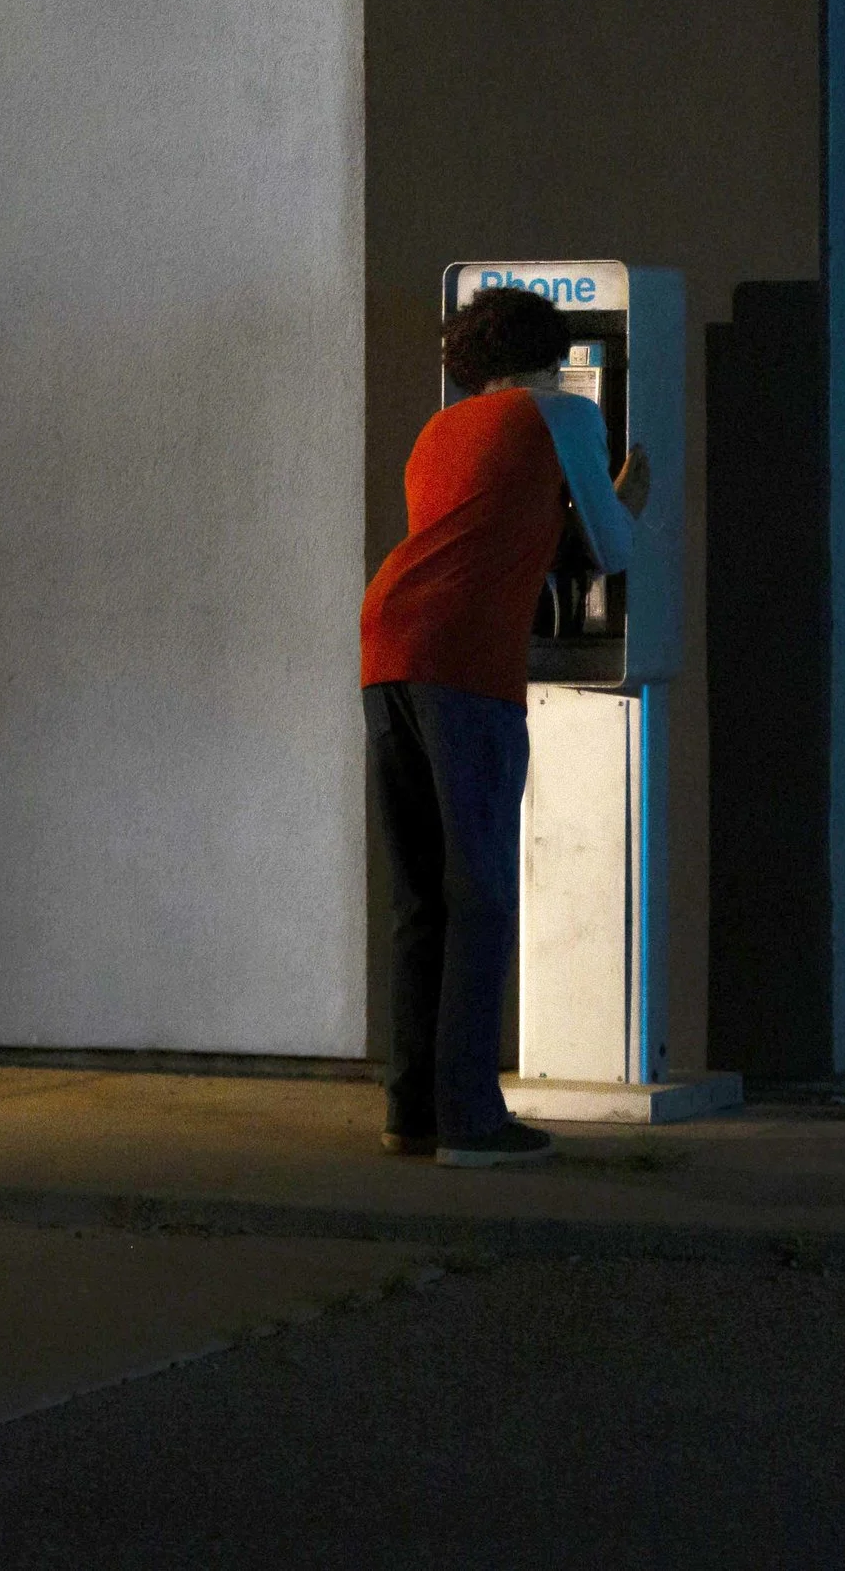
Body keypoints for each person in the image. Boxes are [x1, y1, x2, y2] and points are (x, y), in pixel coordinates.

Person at [359, 286, 649, 1165]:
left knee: (421, 898)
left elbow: (483, 536)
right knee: (480, 893)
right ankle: (473, 1124)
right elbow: (614, 547)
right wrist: (631, 492)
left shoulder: (436, 435)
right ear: (552, 352)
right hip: (465, 662)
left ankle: (412, 1115)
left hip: (386, 642)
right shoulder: (562, 414)